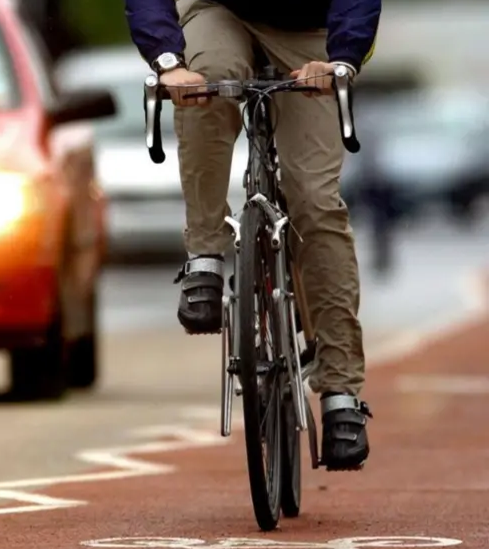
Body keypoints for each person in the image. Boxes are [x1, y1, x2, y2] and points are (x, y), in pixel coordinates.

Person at [124, 0, 380, 471]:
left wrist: (343, 58)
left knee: (315, 201)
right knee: (208, 81)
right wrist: (167, 63)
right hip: (222, 12)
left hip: (312, 30)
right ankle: (204, 256)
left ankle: (341, 392)